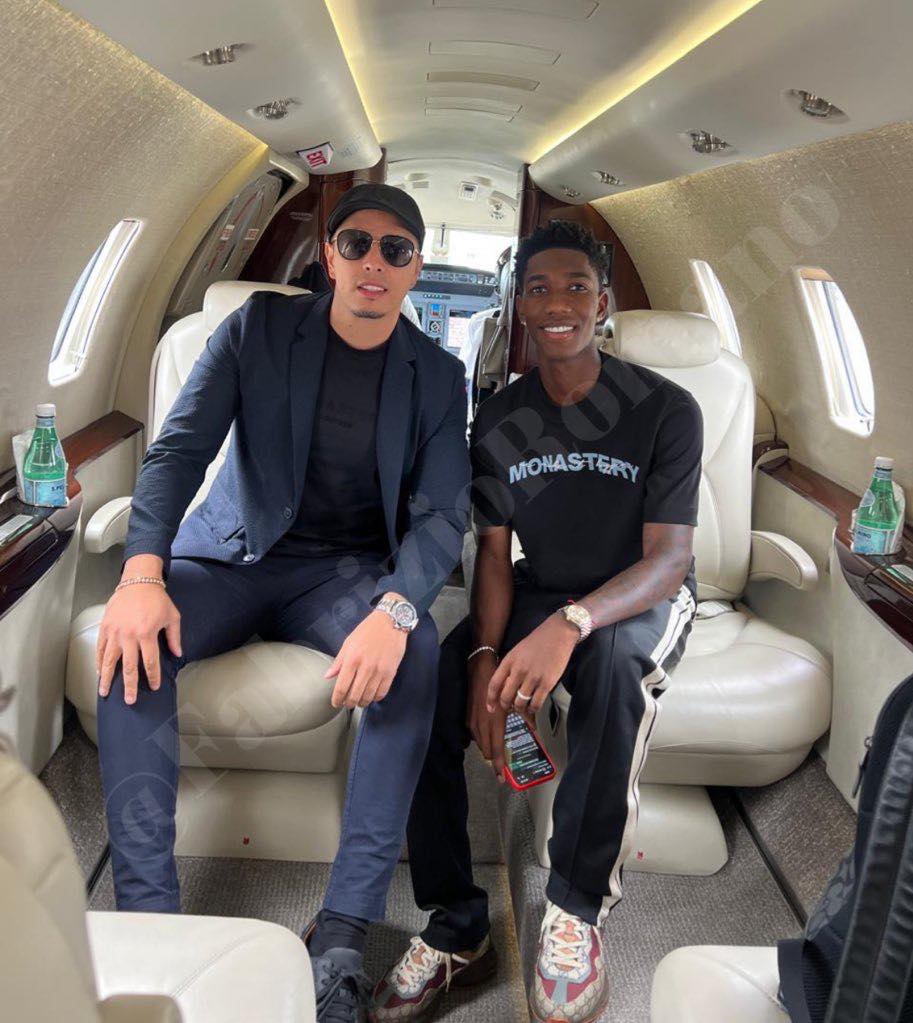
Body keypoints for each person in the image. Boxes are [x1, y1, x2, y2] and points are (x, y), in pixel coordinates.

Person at [94, 184, 470, 1023]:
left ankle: (341, 936)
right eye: (357, 243)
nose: (374, 262)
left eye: (396, 250)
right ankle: (147, 921)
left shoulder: (439, 376)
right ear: (329, 255)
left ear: (415, 269)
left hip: (342, 578)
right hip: (230, 556)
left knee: (417, 654)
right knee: (128, 644)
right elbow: (177, 452)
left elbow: (444, 515)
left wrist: (395, 611)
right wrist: (141, 575)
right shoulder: (257, 329)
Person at [373, 220, 703, 1023]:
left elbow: (666, 562)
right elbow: (492, 552)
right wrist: (484, 654)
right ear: (518, 304)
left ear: (603, 303)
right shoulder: (498, 417)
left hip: (636, 595)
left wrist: (573, 622)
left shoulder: (664, 407)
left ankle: (575, 908)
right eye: (539, 289)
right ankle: (455, 923)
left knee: (615, 671)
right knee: (425, 683)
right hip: (538, 587)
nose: (558, 304)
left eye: (576, 288)